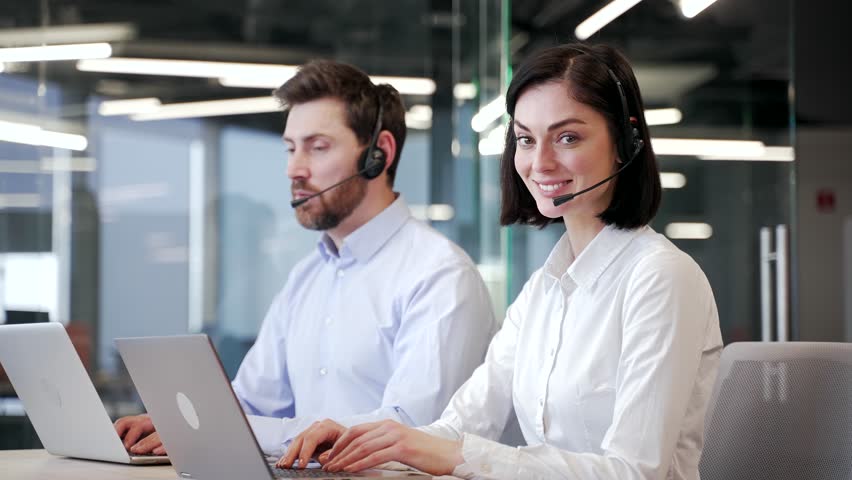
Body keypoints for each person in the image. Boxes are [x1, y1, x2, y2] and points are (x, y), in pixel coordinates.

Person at [279, 43, 723, 480]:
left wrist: (453, 455)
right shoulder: (543, 292)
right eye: (526, 140)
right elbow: (457, 427)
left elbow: (633, 472)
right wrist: (366, 440)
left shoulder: (661, 277)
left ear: (625, 142)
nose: (540, 162)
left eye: (567, 137)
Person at [114, 59, 497, 459]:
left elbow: (411, 430)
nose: (294, 169)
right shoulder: (307, 276)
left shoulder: (440, 275)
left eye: (317, 147)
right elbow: (252, 404)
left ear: (379, 154)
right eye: (290, 148)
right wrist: (181, 422)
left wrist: (228, 428)